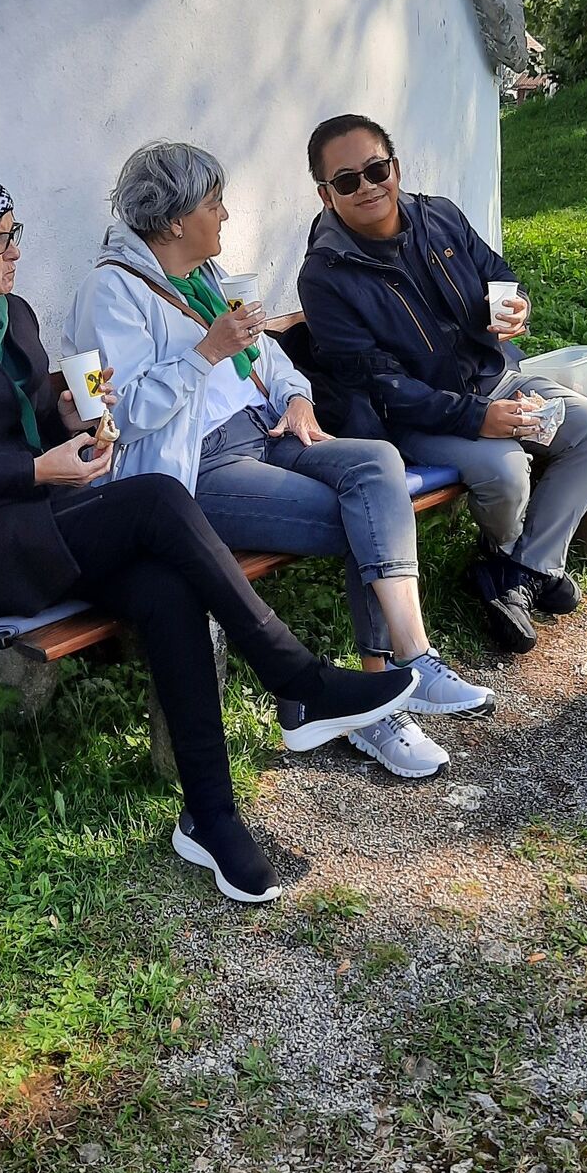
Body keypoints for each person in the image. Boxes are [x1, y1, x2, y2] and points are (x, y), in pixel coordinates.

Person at [0, 162, 421, 905]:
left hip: (35, 525)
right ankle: (298, 680)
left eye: (15, 232)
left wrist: (70, 416)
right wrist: (35, 470)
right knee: (155, 499)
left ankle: (211, 816)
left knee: (164, 584)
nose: (16, 250)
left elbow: (26, 417)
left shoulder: (10, 315)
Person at [64, 140, 494, 782]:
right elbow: (119, 415)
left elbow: (269, 357)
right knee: (362, 517)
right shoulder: (111, 292)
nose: (226, 215)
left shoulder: (204, 277)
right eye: (214, 204)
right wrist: (205, 353)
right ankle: (373, 704)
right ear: (176, 220)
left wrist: (296, 398)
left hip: (265, 433)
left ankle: (409, 661)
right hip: (196, 467)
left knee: (377, 465)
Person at [296, 115, 587, 653]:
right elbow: (379, 385)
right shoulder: (325, 275)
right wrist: (478, 419)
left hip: (494, 380)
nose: (368, 187)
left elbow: (498, 273)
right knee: (505, 470)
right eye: (348, 180)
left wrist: (516, 304)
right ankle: (516, 564)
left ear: (395, 168)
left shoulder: (439, 217)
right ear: (326, 195)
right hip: (411, 417)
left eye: (376, 170)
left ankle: (521, 569)